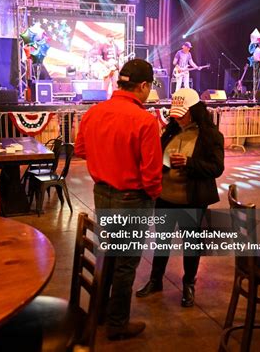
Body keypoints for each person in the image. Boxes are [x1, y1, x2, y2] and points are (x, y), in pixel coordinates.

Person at [75, 59, 163, 340]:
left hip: (102, 193)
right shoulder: (145, 121)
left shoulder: (94, 112)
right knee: (126, 263)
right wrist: (153, 196)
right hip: (132, 199)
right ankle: (117, 322)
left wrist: (106, 160)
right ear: (144, 85)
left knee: (107, 256)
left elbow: (80, 149)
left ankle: (99, 313)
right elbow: (151, 175)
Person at [136, 88, 224, 307]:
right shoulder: (171, 131)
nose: (177, 117)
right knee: (162, 241)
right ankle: (155, 280)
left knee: (191, 244)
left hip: (192, 200)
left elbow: (216, 167)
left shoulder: (210, 135)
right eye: (175, 113)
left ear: (195, 111)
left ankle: (189, 284)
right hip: (165, 198)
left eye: (182, 113)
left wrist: (189, 163)